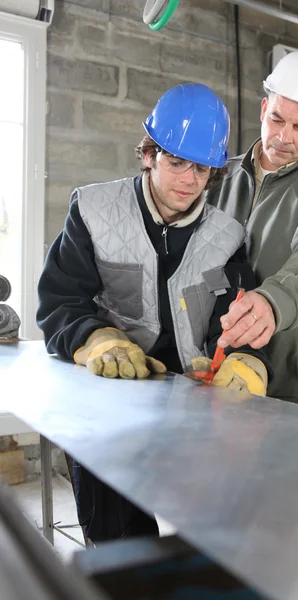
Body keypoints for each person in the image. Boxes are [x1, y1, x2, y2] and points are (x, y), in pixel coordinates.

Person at [36, 83, 272, 543]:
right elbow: (61, 299)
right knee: (119, 541)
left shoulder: (227, 236)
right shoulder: (94, 210)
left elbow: (237, 313)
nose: (188, 179)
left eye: (201, 167)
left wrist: (245, 356)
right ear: (150, 154)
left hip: (191, 401)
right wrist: (96, 339)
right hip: (109, 400)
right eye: (176, 161)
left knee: (217, 532)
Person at [207, 49, 298, 410]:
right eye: (276, 120)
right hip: (220, 374)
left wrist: (274, 302)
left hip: (292, 392)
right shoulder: (218, 177)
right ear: (263, 110)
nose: (283, 137)